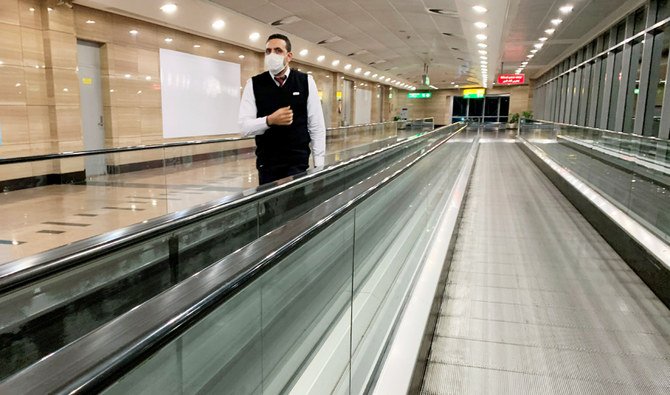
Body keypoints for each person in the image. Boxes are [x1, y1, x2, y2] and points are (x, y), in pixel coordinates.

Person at [238, 33, 326, 185]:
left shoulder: (305, 82)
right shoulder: (254, 84)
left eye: (278, 50)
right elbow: (244, 127)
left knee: (297, 205)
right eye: (268, 51)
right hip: (268, 164)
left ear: (289, 56)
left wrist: (319, 164)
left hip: (297, 163)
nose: (272, 55)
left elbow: (316, 125)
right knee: (269, 207)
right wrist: (269, 120)